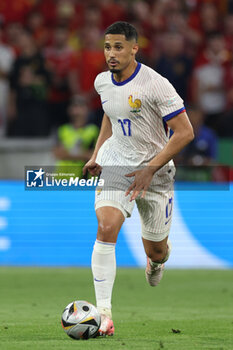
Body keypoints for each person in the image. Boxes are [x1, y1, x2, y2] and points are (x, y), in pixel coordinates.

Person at [83, 21, 194, 337]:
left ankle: (156, 262)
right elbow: (110, 113)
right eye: (107, 47)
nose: (111, 54)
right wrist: (96, 154)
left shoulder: (155, 84)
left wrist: (150, 169)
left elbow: (185, 132)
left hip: (156, 173)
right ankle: (104, 315)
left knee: (156, 251)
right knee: (106, 228)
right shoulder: (102, 82)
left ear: (135, 48)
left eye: (118, 47)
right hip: (116, 165)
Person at [53, 95, 99, 179]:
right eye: (74, 106)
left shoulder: (94, 130)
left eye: (81, 106)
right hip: (63, 178)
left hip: (83, 178)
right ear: (69, 109)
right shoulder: (63, 130)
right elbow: (58, 154)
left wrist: (69, 154)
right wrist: (82, 154)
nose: (77, 109)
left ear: (87, 109)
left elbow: (95, 156)